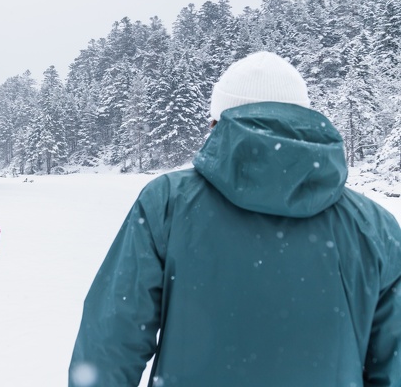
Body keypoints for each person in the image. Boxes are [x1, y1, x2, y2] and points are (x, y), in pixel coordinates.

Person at [69, 51, 401, 387]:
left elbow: (109, 344)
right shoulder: (375, 228)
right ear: (305, 121)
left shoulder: (166, 204)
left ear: (218, 123)